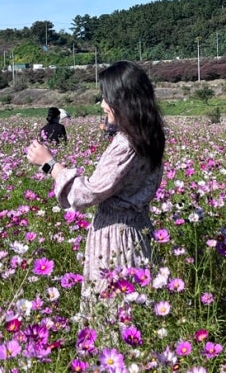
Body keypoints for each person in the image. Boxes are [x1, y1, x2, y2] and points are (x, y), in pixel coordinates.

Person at [26, 61, 166, 325]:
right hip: (139, 231)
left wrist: (50, 164)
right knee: (133, 314)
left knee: (112, 314)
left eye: (106, 98)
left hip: (116, 238)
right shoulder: (151, 136)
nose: (102, 105)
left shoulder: (126, 144)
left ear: (122, 100)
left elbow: (89, 193)